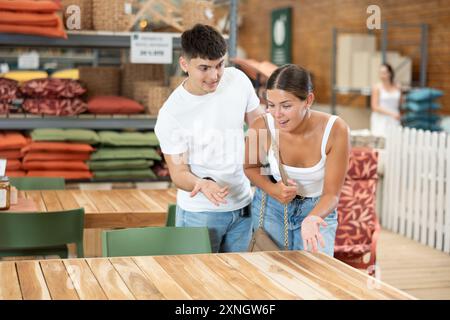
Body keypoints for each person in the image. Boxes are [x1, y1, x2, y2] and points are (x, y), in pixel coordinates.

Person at [154, 24, 263, 253]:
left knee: (239, 283)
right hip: (200, 214)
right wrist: (201, 184)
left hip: (244, 208)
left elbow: (259, 126)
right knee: (197, 286)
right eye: (204, 68)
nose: (214, 76)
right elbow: (179, 173)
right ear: (184, 64)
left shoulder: (237, 80)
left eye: (220, 65)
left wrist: (263, 168)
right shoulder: (172, 114)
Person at [244, 64, 350, 256]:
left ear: (308, 100)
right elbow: (250, 167)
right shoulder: (261, 125)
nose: (277, 115)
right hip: (272, 208)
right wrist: (273, 189)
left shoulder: (335, 130)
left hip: (317, 209)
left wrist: (312, 218)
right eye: (271, 105)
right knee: (271, 275)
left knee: (316, 275)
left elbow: (332, 194)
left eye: (286, 106)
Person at [370, 63, 402, 137]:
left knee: (394, 139)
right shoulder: (377, 87)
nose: (382, 76)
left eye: (384, 73)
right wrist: (391, 113)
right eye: (380, 73)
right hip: (380, 119)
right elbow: (374, 107)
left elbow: (400, 103)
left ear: (390, 73)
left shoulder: (398, 87)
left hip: (394, 118)